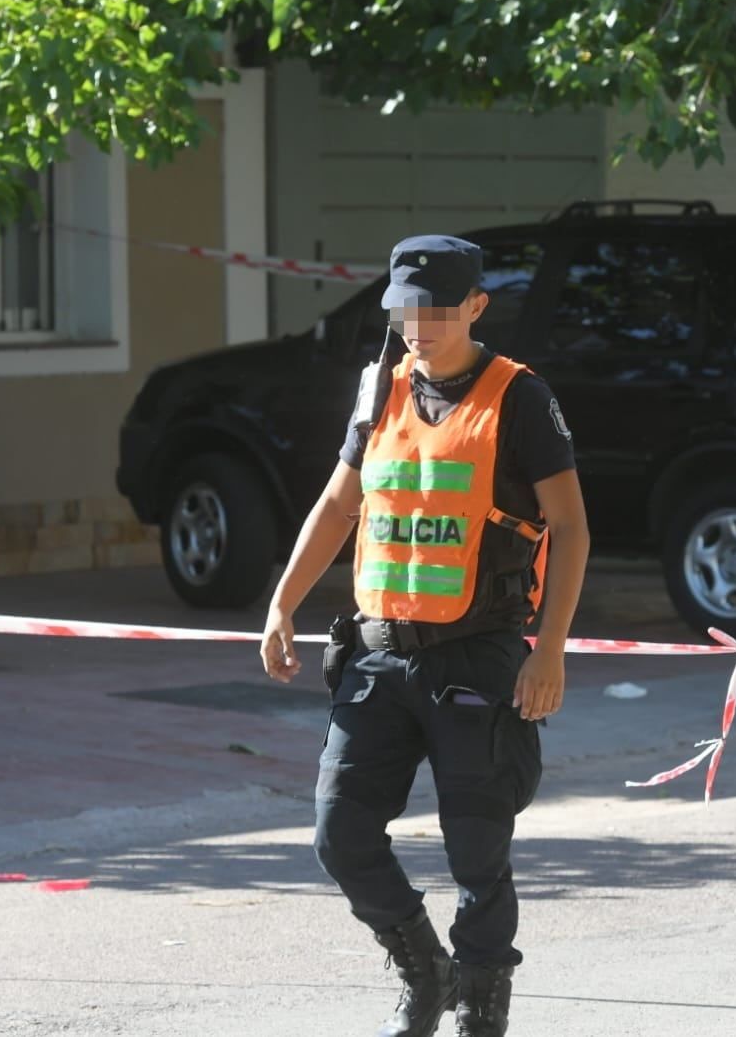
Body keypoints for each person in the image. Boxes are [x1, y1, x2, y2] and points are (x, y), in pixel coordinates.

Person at [260, 234, 589, 1037]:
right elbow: (339, 505)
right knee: (339, 834)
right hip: (378, 652)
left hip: (477, 653)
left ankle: (480, 1004)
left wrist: (548, 651)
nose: (418, 323)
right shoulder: (380, 390)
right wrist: (282, 603)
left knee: (477, 851)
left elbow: (572, 528)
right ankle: (422, 968)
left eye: (436, 308)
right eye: (405, 308)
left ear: (475, 306)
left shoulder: (519, 397)